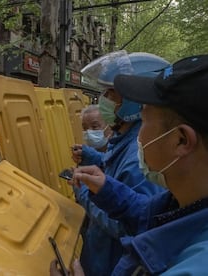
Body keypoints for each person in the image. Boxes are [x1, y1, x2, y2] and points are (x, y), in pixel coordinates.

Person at [62, 55, 208, 275]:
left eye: (145, 119)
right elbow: (146, 213)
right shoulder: (184, 202)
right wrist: (105, 189)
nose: (137, 136)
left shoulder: (194, 267)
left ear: (181, 140)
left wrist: (83, 194)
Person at [70, 51, 169, 276]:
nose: (103, 99)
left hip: (110, 262)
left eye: (111, 93)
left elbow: (131, 225)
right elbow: (117, 173)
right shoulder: (124, 136)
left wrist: (84, 193)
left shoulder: (140, 153)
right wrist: (92, 157)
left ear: (134, 101)